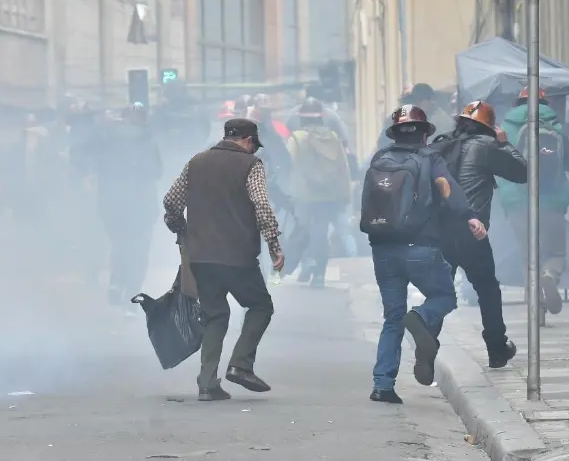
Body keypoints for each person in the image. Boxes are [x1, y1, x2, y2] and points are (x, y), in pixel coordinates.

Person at [361, 104, 485, 405]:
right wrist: (469, 216)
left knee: (392, 317)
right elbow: (448, 190)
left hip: (383, 250)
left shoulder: (380, 159)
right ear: (424, 135)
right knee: (443, 298)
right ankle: (421, 316)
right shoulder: (430, 159)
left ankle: (383, 385)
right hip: (421, 247)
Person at [162, 117, 284, 401]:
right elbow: (262, 205)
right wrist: (274, 244)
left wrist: (180, 228)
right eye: (253, 145)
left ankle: (207, 383)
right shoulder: (251, 166)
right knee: (260, 306)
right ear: (247, 140)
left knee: (215, 315)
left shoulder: (196, 162)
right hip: (238, 256)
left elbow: (171, 201)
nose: (253, 150)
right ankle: (241, 365)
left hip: (202, 256)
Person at [432, 101, 527, 368]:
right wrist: (505, 143)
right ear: (488, 127)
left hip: (440, 231)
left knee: (440, 291)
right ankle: (497, 349)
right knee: (487, 288)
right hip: (472, 231)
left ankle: (428, 343)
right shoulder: (486, 146)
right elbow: (523, 172)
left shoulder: (442, 145)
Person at [498, 87, 569, 314]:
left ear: (518, 103)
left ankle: (535, 302)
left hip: (517, 202)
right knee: (555, 253)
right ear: (546, 104)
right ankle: (549, 275)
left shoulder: (505, 129)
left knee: (527, 255)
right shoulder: (556, 127)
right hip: (552, 200)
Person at [92, 102, 163, 307]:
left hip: (112, 203)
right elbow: (156, 172)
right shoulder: (149, 141)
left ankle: (116, 282)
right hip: (141, 204)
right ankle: (132, 289)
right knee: (139, 249)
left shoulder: (107, 139)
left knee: (119, 244)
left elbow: (99, 168)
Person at [287, 97, 352, 287]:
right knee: (321, 233)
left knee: (303, 231)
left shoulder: (297, 138)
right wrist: (345, 194)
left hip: (304, 196)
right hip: (329, 197)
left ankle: (307, 263)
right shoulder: (333, 137)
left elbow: (286, 165)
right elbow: (343, 168)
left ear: (302, 118)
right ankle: (320, 275)